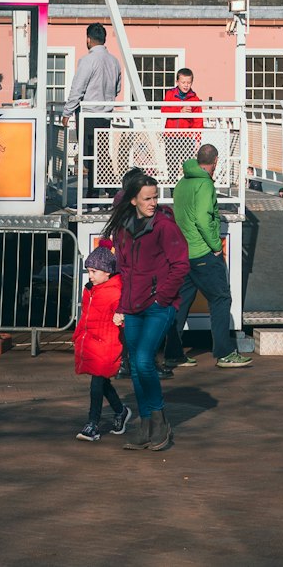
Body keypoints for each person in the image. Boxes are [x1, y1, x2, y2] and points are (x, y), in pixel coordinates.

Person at [102, 171, 188, 451]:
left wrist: (161, 298)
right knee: (137, 369)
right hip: (131, 304)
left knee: (142, 361)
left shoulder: (165, 226)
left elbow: (180, 266)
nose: (153, 202)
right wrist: (122, 304)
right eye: (147, 198)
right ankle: (147, 425)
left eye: (155, 197)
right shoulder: (122, 228)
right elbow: (124, 269)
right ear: (133, 200)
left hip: (157, 307)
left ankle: (160, 421)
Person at [170, 144, 253, 368]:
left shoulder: (182, 183)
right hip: (204, 253)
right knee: (220, 299)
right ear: (215, 161)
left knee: (182, 302)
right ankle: (225, 353)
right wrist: (216, 245)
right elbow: (202, 219)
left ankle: (173, 353)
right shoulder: (204, 184)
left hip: (183, 253)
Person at [73, 244, 133, 442]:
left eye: (94, 271)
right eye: (89, 271)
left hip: (108, 343)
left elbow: (123, 317)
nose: (90, 276)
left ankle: (92, 423)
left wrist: (121, 319)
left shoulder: (116, 292)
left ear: (108, 272)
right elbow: (86, 317)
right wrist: (79, 335)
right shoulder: (90, 290)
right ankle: (120, 411)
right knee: (101, 382)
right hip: (91, 341)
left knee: (96, 384)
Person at [62, 24, 123, 190]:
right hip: (106, 114)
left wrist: (67, 112)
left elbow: (78, 88)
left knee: (90, 154)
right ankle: (106, 190)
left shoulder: (87, 61)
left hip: (88, 114)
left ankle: (94, 194)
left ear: (88, 39)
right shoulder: (114, 61)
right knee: (101, 153)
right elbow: (117, 88)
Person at [162, 68, 204, 132]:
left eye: (189, 83)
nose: (186, 85)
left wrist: (197, 138)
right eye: (183, 82)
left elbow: (198, 120)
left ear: (192, 83)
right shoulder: (170, 94)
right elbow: (164, 110)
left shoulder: (195, 99)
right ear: (177, 82)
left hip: (187, 135)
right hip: (170, 134)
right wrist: (180, 111)